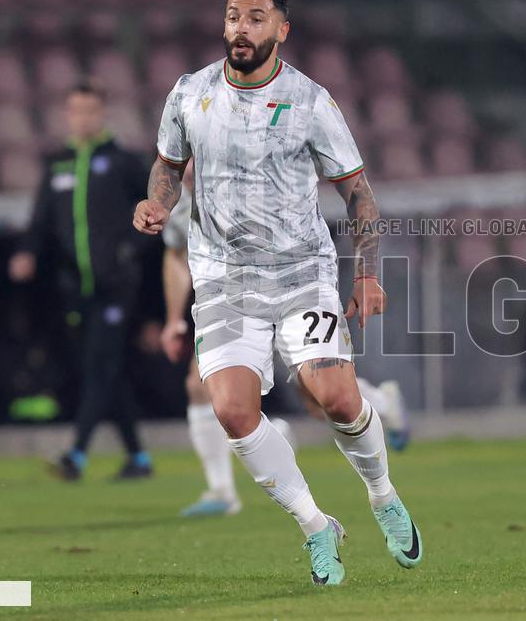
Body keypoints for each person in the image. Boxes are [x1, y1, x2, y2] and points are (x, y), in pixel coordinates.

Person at [135, 0, 422, 585]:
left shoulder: (311, 101)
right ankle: (316, 525)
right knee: (234, 412)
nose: (241, 28)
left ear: (281, 31)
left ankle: (382, 494)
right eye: (233, 16)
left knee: (337, 399)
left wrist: (367, 272)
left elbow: (358, 194)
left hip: (301, 272)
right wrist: (157, 201)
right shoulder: (190, 93)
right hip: (224, 276)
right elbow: (168, 164)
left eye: (256, 18)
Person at [160, 173, 410, 518]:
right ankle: (221, 488)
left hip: (290, 287)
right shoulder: (176, 196)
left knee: (318, 396)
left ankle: (382, 404)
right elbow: (176, 254)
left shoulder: (245, 171)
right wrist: (174, 319)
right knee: (200, 385)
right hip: (235, 301)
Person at [9, 82, 152, 481]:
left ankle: (76, 455)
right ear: (67, 115)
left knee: (98, 364)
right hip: (77, 286)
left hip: (116, 285)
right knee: (107, 369)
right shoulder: (58, 164)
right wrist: (27, 252)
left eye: (90, 110)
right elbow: (41, 222)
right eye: (75, 111)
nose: (82, 118)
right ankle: (138, 458)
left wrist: (129, 253)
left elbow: (153, 214)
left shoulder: (124, 162)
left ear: (102, 113)